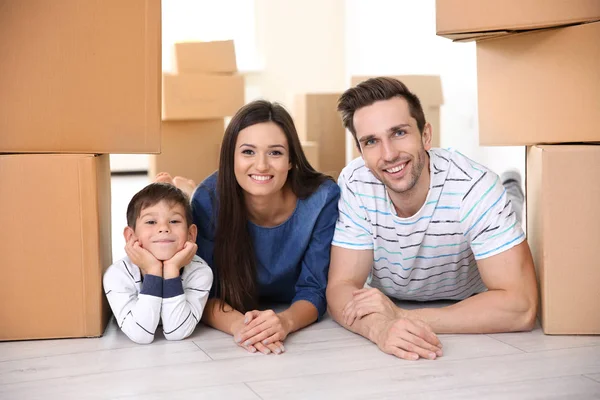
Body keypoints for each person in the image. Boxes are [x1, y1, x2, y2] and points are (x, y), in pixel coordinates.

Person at [326, 77, 538, 361]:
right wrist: (381, 329)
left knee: (508, 203)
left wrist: (400, 315)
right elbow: (341, 287)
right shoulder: (355, 181)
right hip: (398, 291)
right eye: (372, 141)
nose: (388, 154)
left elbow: (521, 307)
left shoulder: (475, 187)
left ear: (426, 135)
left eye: (399, 133)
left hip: (465, 295)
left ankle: (511, 187)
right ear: (361, 152)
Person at [159, 100, 341, 355]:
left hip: (289, 297)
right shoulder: (210, 199)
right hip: (235, 294)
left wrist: (284, 322)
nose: (262, 165)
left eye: (275, 152)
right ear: (230, 157)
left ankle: (185, 191)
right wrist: (240, 327)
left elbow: (315, 289)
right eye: (248, 152)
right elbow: (202, 290)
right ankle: (186, 194)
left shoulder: (322, 198)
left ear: (291, 160)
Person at [103, 183, 213, 344]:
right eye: (151, 222)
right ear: (130, 236)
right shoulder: (117, 275)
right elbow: (141, 334)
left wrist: (171, 270)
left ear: (191, 234)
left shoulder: (200, 272)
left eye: (174, 221)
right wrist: (153, 270)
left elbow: (177, 331)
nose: (163, 228)